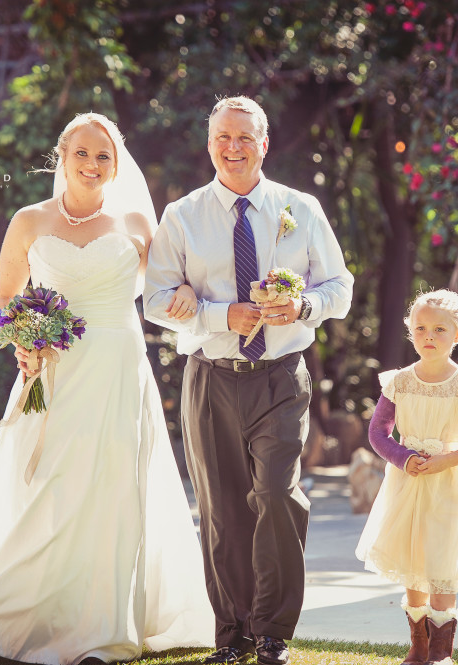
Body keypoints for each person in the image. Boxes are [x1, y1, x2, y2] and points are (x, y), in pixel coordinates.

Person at [0, 112, 213, 664]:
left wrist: (192, 298)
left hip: (118, 368)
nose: (93, 165)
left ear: (116, 164)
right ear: (62, 155)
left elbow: (172, 288)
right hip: (51, 372)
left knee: (112, 487)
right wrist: (21, 340)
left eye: (104, 156)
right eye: (82, 153)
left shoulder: (139, 225)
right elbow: (4, 300)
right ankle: (20, 616)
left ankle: (103, 628)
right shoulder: (28, 221)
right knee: (45, 486)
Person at [144, 96, 354, 665]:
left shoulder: (300, 208)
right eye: (222, 138)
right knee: (222, 509)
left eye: (244, 137)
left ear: (265, 143)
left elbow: (340, 287)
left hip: (281, 377)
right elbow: (156, 300)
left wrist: (304, 306)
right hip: (211, 380)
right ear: (209, 144)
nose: (233, 148)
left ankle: (272, 631)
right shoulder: (181, 216)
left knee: (277, 495)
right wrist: (220, 316)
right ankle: (232, 636)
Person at [355, 288, 458, 665]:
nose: (429, 337)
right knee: (413, 559)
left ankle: (439, 653)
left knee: (442, 561)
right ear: (410, 332)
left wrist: (446, 460)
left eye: (439, 330)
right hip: (408, 483)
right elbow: (378, 432)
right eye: (420, 329)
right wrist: (403, 457)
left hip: (448, 485)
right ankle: (417, 648)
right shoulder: (399, 381)